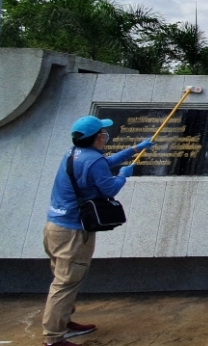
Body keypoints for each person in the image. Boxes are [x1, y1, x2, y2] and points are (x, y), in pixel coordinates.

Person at [42, 116, 152, 346]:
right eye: (104, 133)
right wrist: (123, 176)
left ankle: (64, 321)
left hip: (54, 226)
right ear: (98, 137)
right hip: (73, 233)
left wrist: (135, 149)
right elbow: (110, 187)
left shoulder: (73, 154)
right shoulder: (93, 161)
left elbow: (104, 163)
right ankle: (53, 338)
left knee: (64, 278)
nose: (105, 136)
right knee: (65, 283)